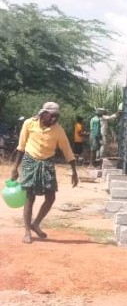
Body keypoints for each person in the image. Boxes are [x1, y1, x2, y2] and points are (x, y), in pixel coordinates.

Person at [9, 102, 78, 244]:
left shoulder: (58, 130)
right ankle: (27, 231)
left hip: (47, 163)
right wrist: (15, 167)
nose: (54, 120)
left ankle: (36, 223)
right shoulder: (29, 123)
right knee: (30, 197)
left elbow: (67, 150)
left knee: (51, 197)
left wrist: (74, 172)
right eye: (52, 116)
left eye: (57, 117)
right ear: (44, 114)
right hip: (30, 161)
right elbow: (21, 147)